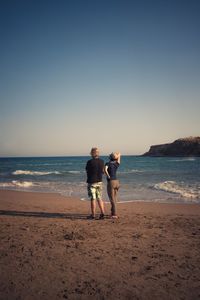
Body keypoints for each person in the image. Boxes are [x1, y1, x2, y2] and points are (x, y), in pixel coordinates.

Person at [86, 147, 105, 219]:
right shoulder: (102, 161)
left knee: (93, 198)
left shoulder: (89, 162)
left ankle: (93, 215)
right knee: (99, 198)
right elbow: (102, 171)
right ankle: (102, 213)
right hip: (99, 181)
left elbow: (87, 170)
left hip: (92, 182)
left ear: (92, 153)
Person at [105, 152, 121, 219]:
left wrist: (108, 175)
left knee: (112, 199)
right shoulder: (117, 164)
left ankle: (114, 214)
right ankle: (112, 212)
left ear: (109, 158)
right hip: (117, 182)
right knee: (115, 198)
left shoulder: (107, 163)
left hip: (111, 182)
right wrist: (119, 155)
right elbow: (119, 158)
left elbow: (105, 169)